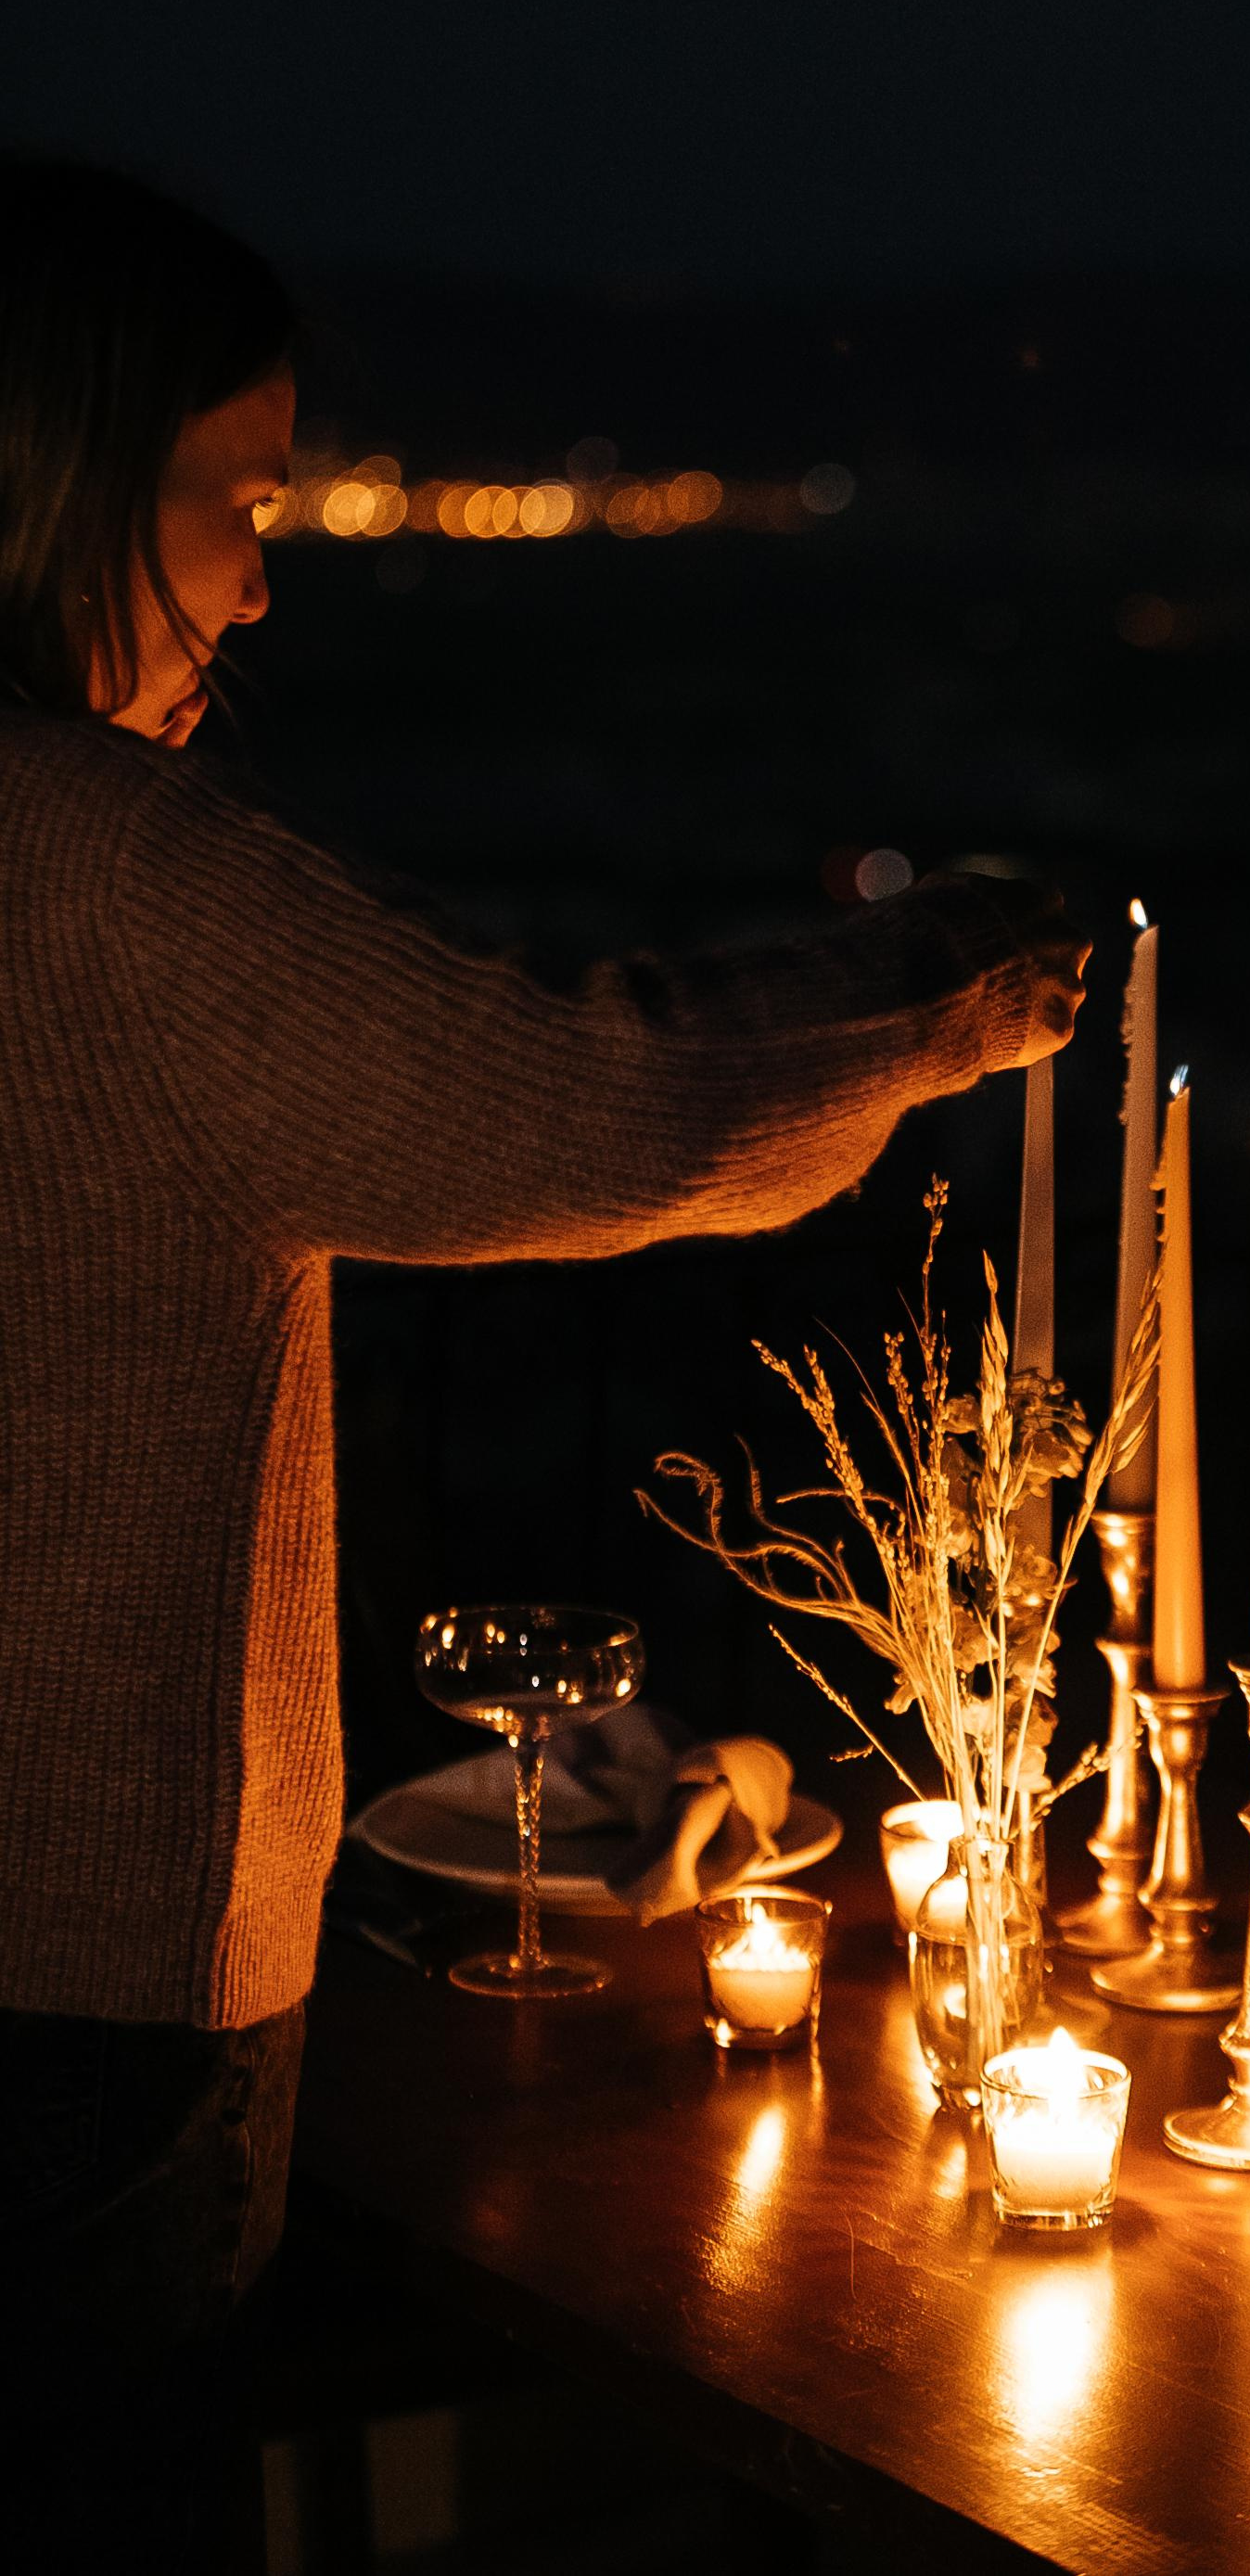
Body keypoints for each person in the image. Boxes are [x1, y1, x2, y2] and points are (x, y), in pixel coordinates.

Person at [0, 159, 1089, 2562]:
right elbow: (574, 1104)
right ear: (65, 478)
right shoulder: (95, 867)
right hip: (64, 2002)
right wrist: (943, 997)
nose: (258, 586)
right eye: (235, 503)